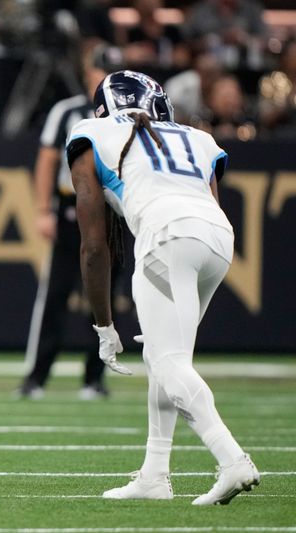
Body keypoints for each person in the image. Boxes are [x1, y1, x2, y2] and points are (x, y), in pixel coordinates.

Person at [66, 70, 259, 504]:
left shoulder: (91, 132)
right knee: (168, 357)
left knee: (166, 360)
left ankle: (232, 460)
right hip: (217, 240)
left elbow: (94, 246)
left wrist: (103, 326)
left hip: (167, 236)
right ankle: (155, 474)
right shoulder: (199, 137)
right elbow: (208, 205)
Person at [18, 59, 111, 400]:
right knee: (55, 294)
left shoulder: (126, 115)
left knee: (103, 298)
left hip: (111, 209)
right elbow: (47, 159)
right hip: (72, 206)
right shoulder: (69, 111)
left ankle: (95, 377)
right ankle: (37, 375)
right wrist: (43, 209)